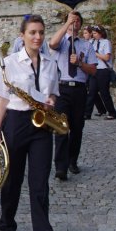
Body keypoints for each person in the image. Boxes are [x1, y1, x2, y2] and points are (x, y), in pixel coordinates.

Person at [0, 14, 59, 231]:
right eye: (32, 32)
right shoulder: (9, 63)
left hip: (41, 124)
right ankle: (7, 223)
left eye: (41, 32)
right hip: (16, 122)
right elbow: (2, 99)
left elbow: (53, 95)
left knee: (39, 182)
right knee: (13, 179)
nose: (38, 36)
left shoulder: (51, 64)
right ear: (23, 36)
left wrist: (51, 101)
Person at [48, 11, 97, 180]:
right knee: (60, 128)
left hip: (79, 89)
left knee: (77, 128)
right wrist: (66, 24)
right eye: (72, 21)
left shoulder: (86, 45)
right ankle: (60, 166)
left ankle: (72, 161)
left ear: (80, 24)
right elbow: (52, 44)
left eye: (77, 21)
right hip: (62, 88)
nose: (74, 23)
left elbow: (93, 69)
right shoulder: (62, 41)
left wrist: (80, 63)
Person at [86, 25, 116, 120]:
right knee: (91, 92)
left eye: (95, 33)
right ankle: (87, 114)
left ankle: (112, 113)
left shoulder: (106, 42)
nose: (93, 35)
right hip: (94, 69)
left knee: (104, 92)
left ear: (100, 33)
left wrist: (95, 53)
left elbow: (107, 57)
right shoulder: (91, 42)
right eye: (93, 33)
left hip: (103, 70)